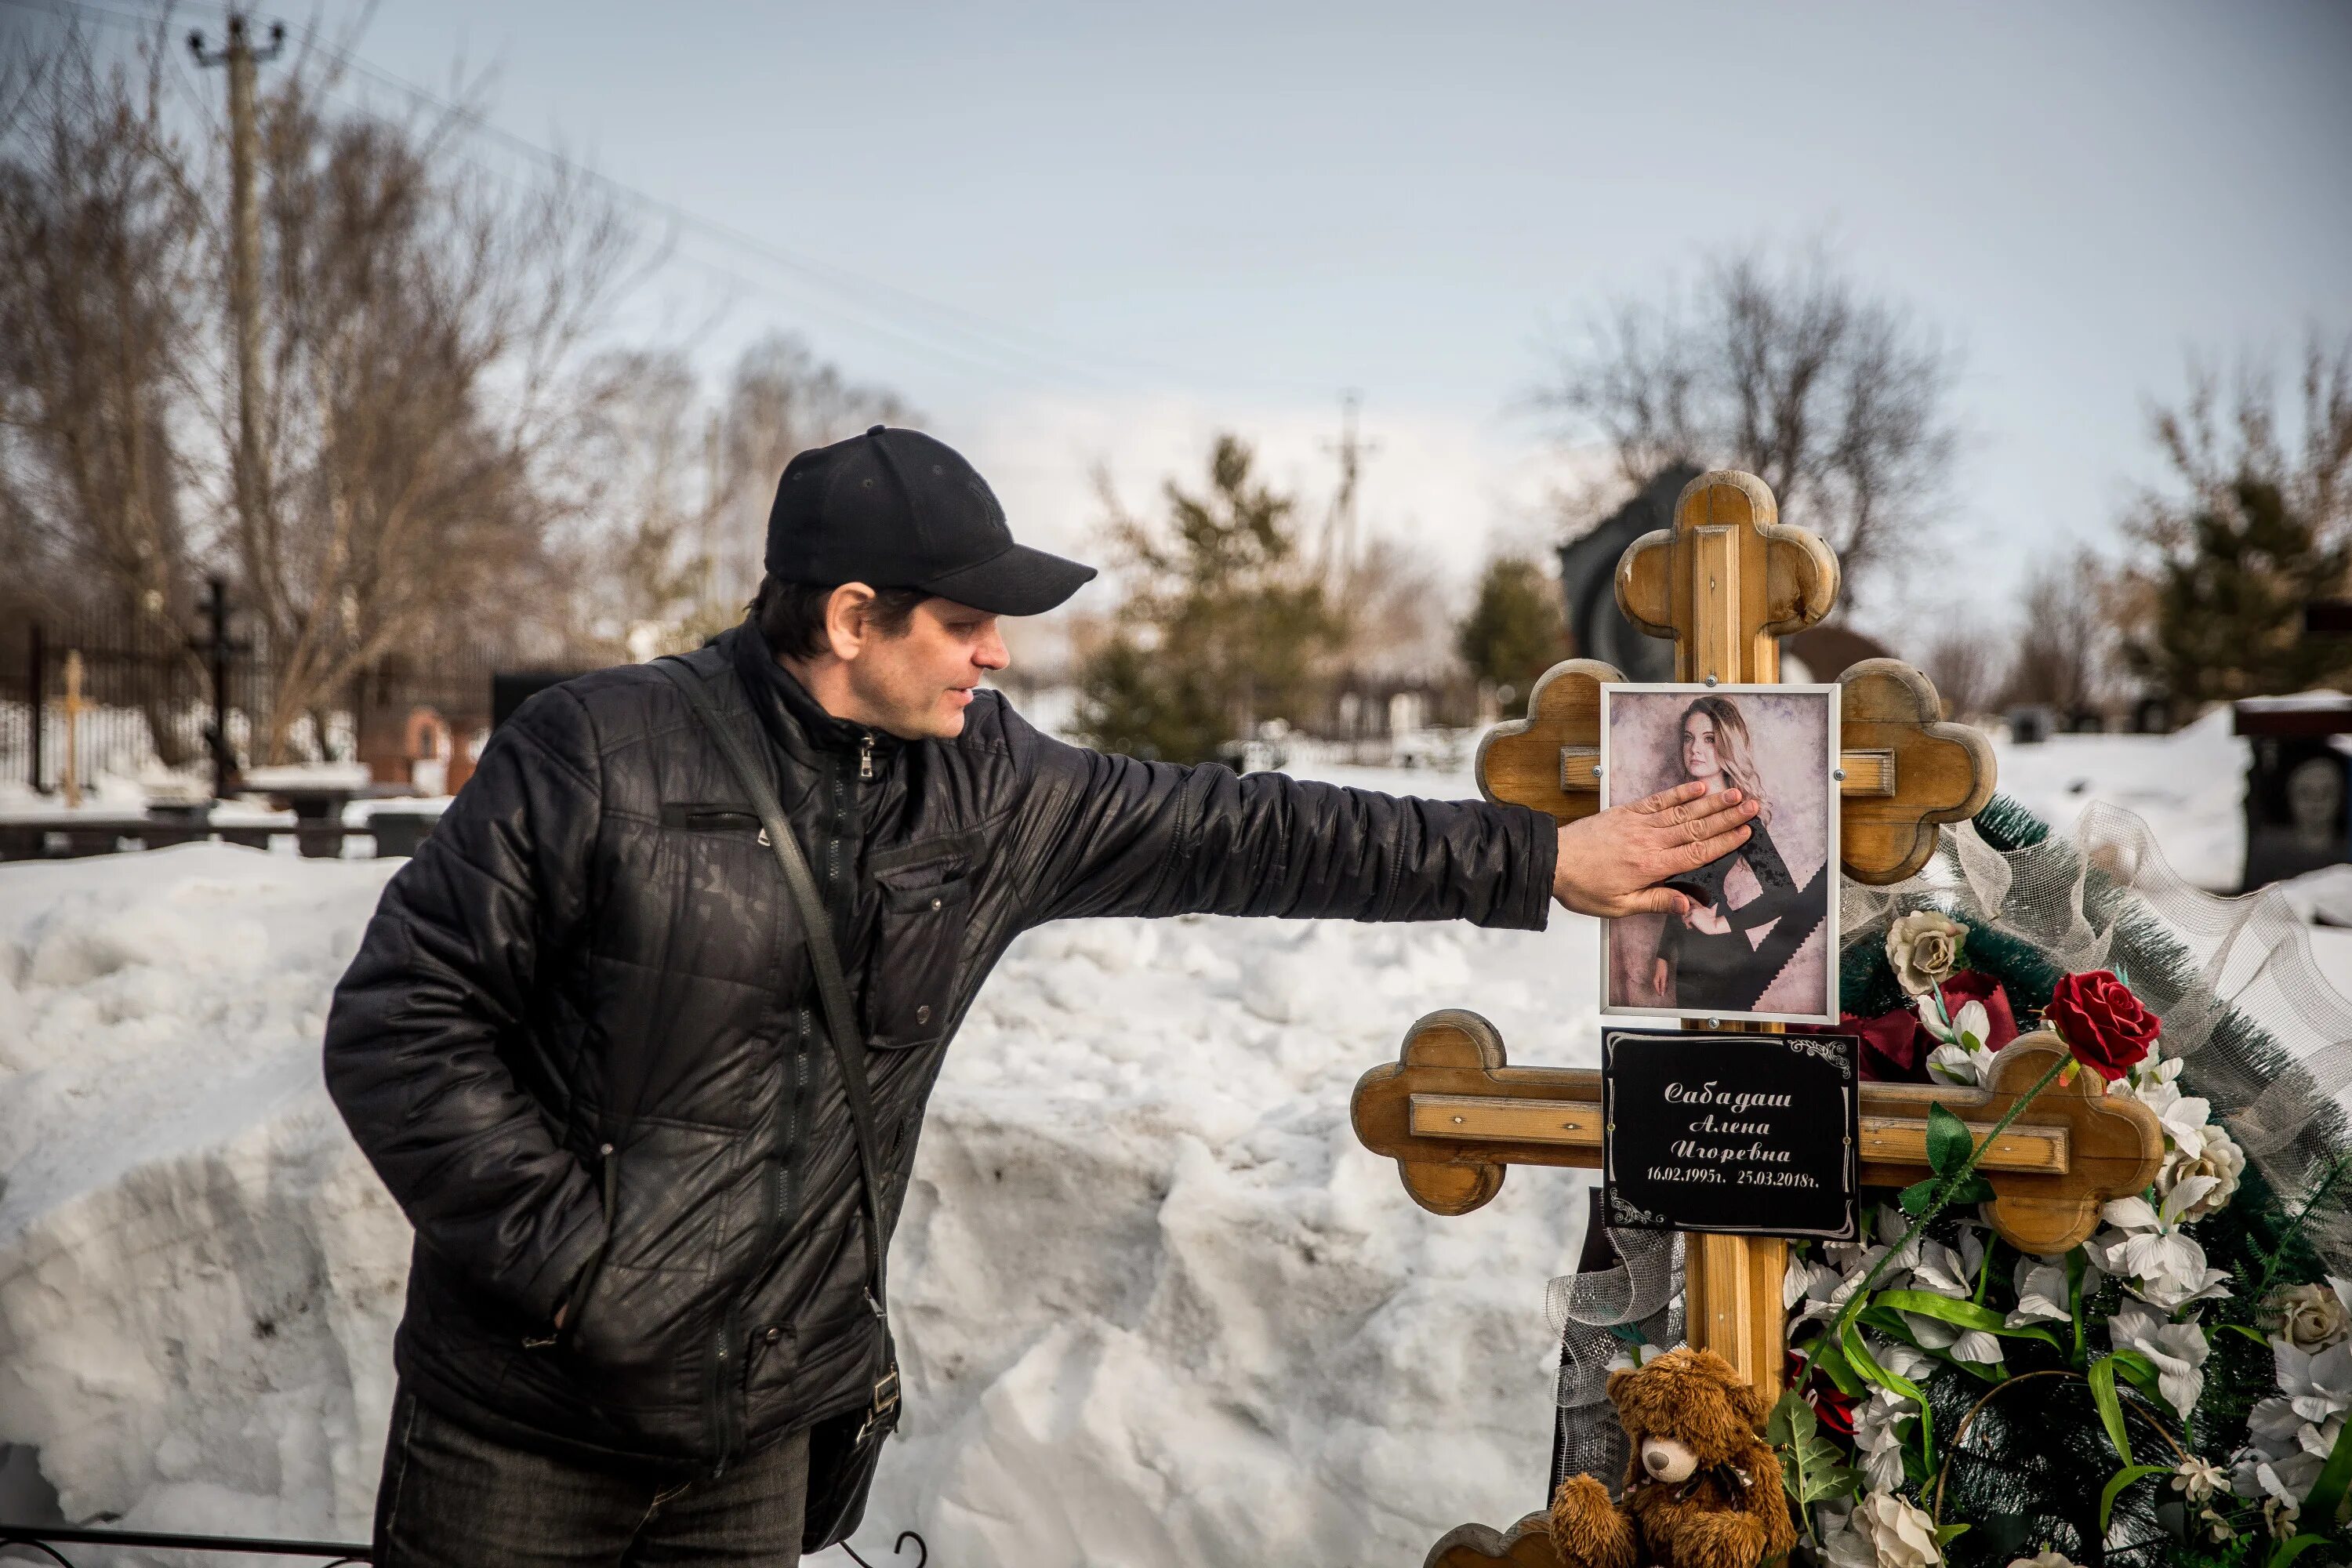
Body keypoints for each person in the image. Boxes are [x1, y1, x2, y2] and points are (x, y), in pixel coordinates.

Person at [323, 426, 1757, 1568]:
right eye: (967, 623)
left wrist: (1538, 860)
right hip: (523, 1434)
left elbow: (1248, 831)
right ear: (849, 617)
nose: (999, 652)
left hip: (757, 1442)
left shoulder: (990, 790)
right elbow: (400, 1023)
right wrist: (582, 1276)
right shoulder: (599, 755)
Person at [1648, 695, 1803, 1012]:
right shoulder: (1677, 811)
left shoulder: (1740, 815)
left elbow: (1785, 893)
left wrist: (1721, 924)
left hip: (1726, 962)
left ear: (1728, 745)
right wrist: (1665, 953)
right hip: (1687, 963)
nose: (1695, 749)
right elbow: (1685, 891)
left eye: (1709, 739)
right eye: (1689, 738)